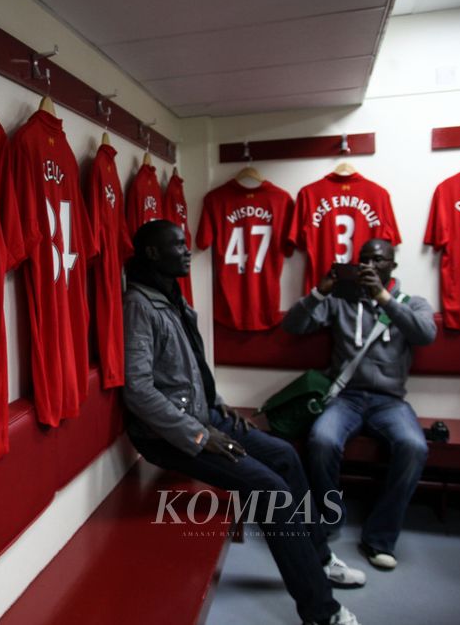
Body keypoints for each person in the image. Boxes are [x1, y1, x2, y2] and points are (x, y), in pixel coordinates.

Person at [123, 220, 365, 625]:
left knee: (285, 455)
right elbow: (139, 390)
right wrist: (200, 434)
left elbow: (189, 367)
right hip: (168, 435)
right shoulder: (139, 305)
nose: (187, 251)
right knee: (269, 489)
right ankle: (321, 612)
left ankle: (319, 559)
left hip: (206, 416)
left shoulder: (171, 295)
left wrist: (217, 404)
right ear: (152, 254)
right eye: (178, 245)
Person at [283, 239, 436, 571]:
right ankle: (330, 517)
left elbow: (425, 334)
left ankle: (380, 537)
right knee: (321, 440)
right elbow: (293, 325)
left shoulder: (412, 302)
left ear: (392, 267)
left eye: (378, 261)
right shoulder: (340, 301)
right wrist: (321, 292)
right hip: (346, 398)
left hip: (390, 402)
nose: (369, 266)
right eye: (364, 260)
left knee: (414, 447)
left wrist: (383, 297)